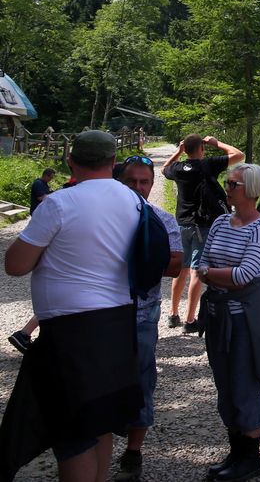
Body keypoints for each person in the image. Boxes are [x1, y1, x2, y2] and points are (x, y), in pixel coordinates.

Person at [1, 131, 143, 482]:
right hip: (119, 324)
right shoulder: (133, 200)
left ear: (71, 161)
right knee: (102, 419)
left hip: (72, 333)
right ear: (113, 162)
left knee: (73, 432)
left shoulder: (60, 203)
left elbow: (16, 265)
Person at [196, 163, 260, 481]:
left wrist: (211, 274)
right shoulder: (220, 221)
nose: (227, 188)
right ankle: (235, 452)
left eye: (232, 184)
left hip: (245, 318)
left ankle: (250, 457)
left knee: (244, 382)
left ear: (249, 189)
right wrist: (218, 273)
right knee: (224, 384)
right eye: (227, 183)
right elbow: (202, 261)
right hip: (219, 316)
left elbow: (244, 275)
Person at [113, 156, 184, 482]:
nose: (140, 188)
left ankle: (134, 451)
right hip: (106, 313)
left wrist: (135, 259)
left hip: (143, 313)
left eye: (145, 182)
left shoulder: (163, 219)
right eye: (133, 182)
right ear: (120, 182)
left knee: (142, 380)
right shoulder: (106, 218)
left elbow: (175, 266)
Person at [163, 133, 245, 333]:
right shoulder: (208, 165)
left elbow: (164, 168)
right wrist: (217, 143)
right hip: (203, 224)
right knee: (196, 271)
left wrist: (178, 152)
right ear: (201, 149)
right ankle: (190, 320)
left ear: (186, 149)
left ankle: (173, 314)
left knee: (180, 271)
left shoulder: (178, 168)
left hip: (182, 223)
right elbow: (238, 155)